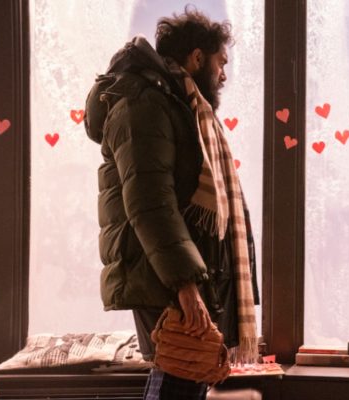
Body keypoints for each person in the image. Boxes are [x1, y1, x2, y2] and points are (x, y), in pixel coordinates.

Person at [84, 7, 259, 399]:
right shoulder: (145, 103)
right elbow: (150, 202)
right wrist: (185, 283)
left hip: (179, 273)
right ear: (197, 58)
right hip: (168, 277)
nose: (224, 75)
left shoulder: (177, 103)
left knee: (183, 379)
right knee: (180, 378)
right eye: (220, 63)